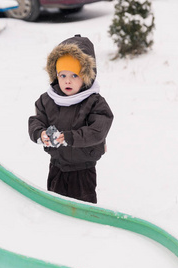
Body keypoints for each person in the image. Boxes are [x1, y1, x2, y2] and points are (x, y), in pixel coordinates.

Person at [28, 34, 113, 204]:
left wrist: (70, 137)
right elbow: (36, 120)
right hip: (57, 165)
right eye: (62, 75)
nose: (67, 81)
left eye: (74, 76)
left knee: (82, 204)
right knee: (56, 202)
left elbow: (97, 131)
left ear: (86, 76)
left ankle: (84, 228)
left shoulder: (94, 102)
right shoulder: (48, 100)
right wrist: (40, 133)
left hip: (83, 168)